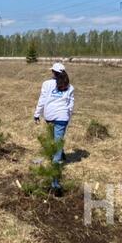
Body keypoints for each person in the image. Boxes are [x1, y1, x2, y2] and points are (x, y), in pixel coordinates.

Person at [33, 62, 75, 194]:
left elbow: (42, 99)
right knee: (57, 141)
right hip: (63, 117)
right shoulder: (69, 86)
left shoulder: (47, 84)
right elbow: (70, 104)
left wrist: (37, 114)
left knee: (55, 142)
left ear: (53, 72)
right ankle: (59, 156)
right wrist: (68, 114)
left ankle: (55, 180)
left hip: (50, 115)